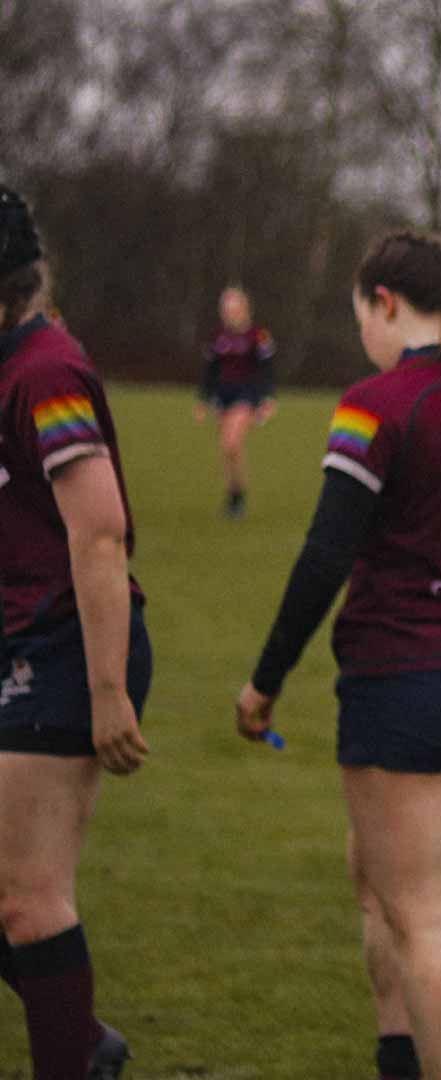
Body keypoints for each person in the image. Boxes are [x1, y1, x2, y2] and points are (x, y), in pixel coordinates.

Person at [234, 230, 441, 1080]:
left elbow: (324, 556)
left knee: (423, 916)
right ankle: (397, 1059)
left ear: (383, 302)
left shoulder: (379, 402)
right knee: (375, 873)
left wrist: (265, 680)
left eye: (360, 315)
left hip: (408, 679)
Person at [0, 184, 143, 1079]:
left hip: (60, 652)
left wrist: (107, 689)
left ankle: (73, 1055)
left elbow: (99, 532)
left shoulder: (44, 374)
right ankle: (81, 1039)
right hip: (17, 644)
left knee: (28, 899)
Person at [194, 286, 277, 519]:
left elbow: (267, 370)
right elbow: (210, 370)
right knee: (227, 450)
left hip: (246, 395)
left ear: (244, 308)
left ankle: (238, 498)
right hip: (223, 395)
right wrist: (203, 400)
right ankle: (234, 496)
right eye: (225, 309)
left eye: (233, 308)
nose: (229, 313)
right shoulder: (218, 336)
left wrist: (268, 399)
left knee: (232, 443)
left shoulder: (258, 335)